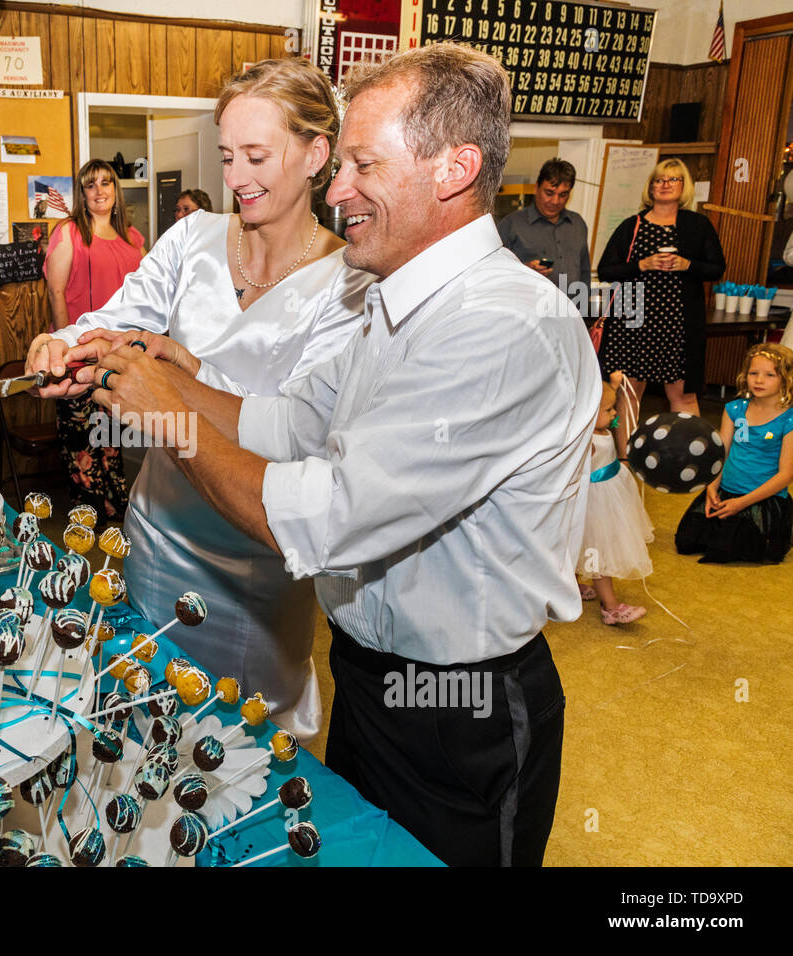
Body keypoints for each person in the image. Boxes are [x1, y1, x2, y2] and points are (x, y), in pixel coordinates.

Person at [77, 43, 601, 866]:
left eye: (362, 164)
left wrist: (172, 420)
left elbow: (325, 515)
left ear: (454, 169)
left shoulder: (502, 325)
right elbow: (289, 421)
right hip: (368, 680)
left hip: (460, 706)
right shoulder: (396, 299)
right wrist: (179, 381)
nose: (339, 188)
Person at [26, 58, 370, 741]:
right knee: (143, 715)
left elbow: (302, 433)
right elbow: (120, 316)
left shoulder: (350, 283)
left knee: (240, 746)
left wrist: (187, 367)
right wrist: (61, 344)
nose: (235, 177)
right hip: (158, 528)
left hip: (258, 556)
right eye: (225, 156)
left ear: (316, 154)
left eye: (256, 156)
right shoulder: (192, 241)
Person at [42, 159, 147, 520]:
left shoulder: (134, 239)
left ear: (116, 191)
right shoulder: (70, 232)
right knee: (81, 441)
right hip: (78, 355)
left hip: (119, 356)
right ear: (82, 194)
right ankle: (87, 516)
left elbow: (146, 300)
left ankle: (117, 506)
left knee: (111, 435)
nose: (100, 190)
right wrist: (67, 352)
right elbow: (56, 291)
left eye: (106, 183)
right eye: (91, 185)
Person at [597, 159, 726, 440]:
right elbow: (606, 269)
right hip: (632, 317)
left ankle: (692, 458)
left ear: (684, 186)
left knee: (682, 395)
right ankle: (627, 462)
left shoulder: (697, 225)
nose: (664, 185)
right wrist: (642, 265)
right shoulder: (633, 225)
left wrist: (687, 265)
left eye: (673, 179)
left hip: (677, 322)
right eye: (659, 180)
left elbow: (717, 268)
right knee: (629, 393)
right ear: (651, 187)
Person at [676, 343, 793, 563]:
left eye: (769, 375)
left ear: (786, 379)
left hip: (761, 498)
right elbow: (721, 454)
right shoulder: (734, 409)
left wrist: (742, 503)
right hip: (726, 491)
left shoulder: (789, 419)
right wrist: (711, 488)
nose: (759, 380)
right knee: (686, 542)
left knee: (730, 550)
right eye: (753, 373)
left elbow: (786, 475)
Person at [578, 374, 652, 624]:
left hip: (611, 495)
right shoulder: (587, 441)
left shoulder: (603, 430)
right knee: (598, 551)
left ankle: (573, 584)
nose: (614, 415)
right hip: (594, 503)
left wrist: (616, 387)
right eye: (609, 410)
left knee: (583, 547)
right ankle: (610, 607)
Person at [496, 157, 590, 293]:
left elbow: (584, 273)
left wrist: (584, 311)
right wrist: (525, 269)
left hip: (571, 311)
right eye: (549, 193)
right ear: (536, 188)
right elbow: (494, 272)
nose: (555, 201)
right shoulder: (511, 225)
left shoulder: (577, 223)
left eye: (563, 195)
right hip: (528, 310)